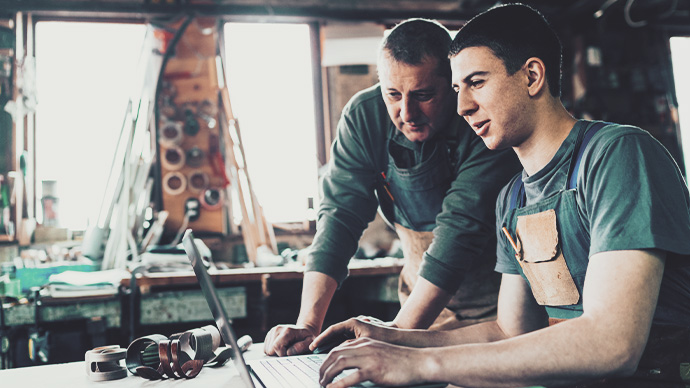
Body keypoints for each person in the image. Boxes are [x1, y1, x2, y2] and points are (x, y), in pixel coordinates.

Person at [312, 4, 690, 387]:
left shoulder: (618, 155)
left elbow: (612, 343)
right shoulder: (512, 199)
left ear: (531, 75)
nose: (462, 107)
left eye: (476, 82)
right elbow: (511, 332)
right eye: (458, 89)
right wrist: (393, 339)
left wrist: (421, 365)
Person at [263, 18, 520, 356]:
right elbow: (339, 218)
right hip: (420, 303)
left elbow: (461, 232)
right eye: (393, 95)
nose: (407, 113)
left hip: (499, 311)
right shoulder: (364, 116)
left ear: (454, 85)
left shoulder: (480, 121)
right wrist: (308, 324)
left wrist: (396, 335)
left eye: (424, 95)